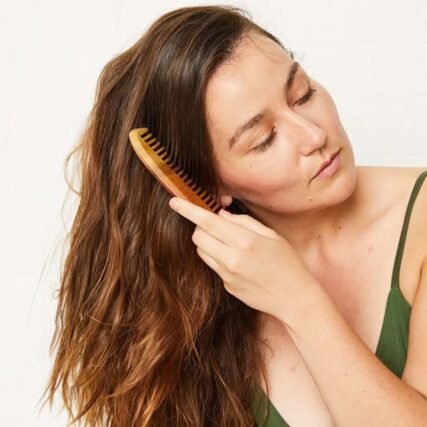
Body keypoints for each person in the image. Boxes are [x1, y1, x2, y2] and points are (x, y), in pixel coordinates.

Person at [40, 4, 427, 426]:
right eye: (263, 140)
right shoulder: (191, 306)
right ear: (207, 183)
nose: (314, 136)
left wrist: (299, 301)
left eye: (303, 94)